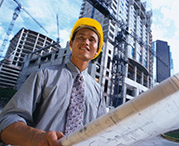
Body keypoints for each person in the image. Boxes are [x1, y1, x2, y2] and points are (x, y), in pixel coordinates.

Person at [0, 17, 106, 146]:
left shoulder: (98, 91)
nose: (86, 42)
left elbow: (102, 130)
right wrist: (37, 138)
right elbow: (6, 121)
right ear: (71, 44)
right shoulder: (44, 75)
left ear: (97, 50)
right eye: (81, 37)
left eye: (92, 39)